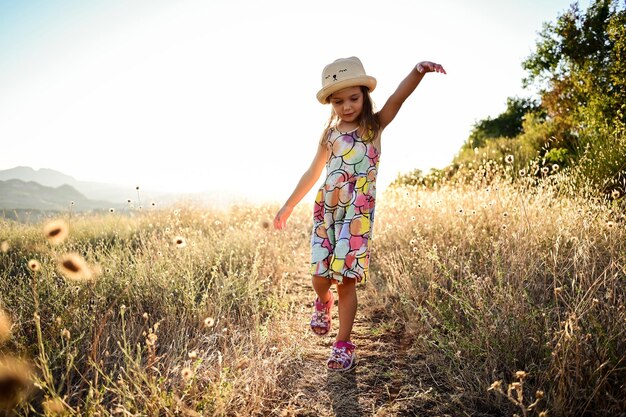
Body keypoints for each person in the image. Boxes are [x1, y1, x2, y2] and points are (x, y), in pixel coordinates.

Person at [274, 56, 446, 371]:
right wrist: (289, 204)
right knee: (319, 276)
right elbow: (313, 172)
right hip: (327, 210)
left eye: (353, 98)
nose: (347, 106)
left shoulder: (373, 126)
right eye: (338, 101)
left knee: (346, 281)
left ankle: (343, 344)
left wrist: (417, 71)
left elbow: (398, 97)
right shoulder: (329, 134)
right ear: (331, 103)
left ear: (364, 96)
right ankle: (323, 301)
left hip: (356, 217)